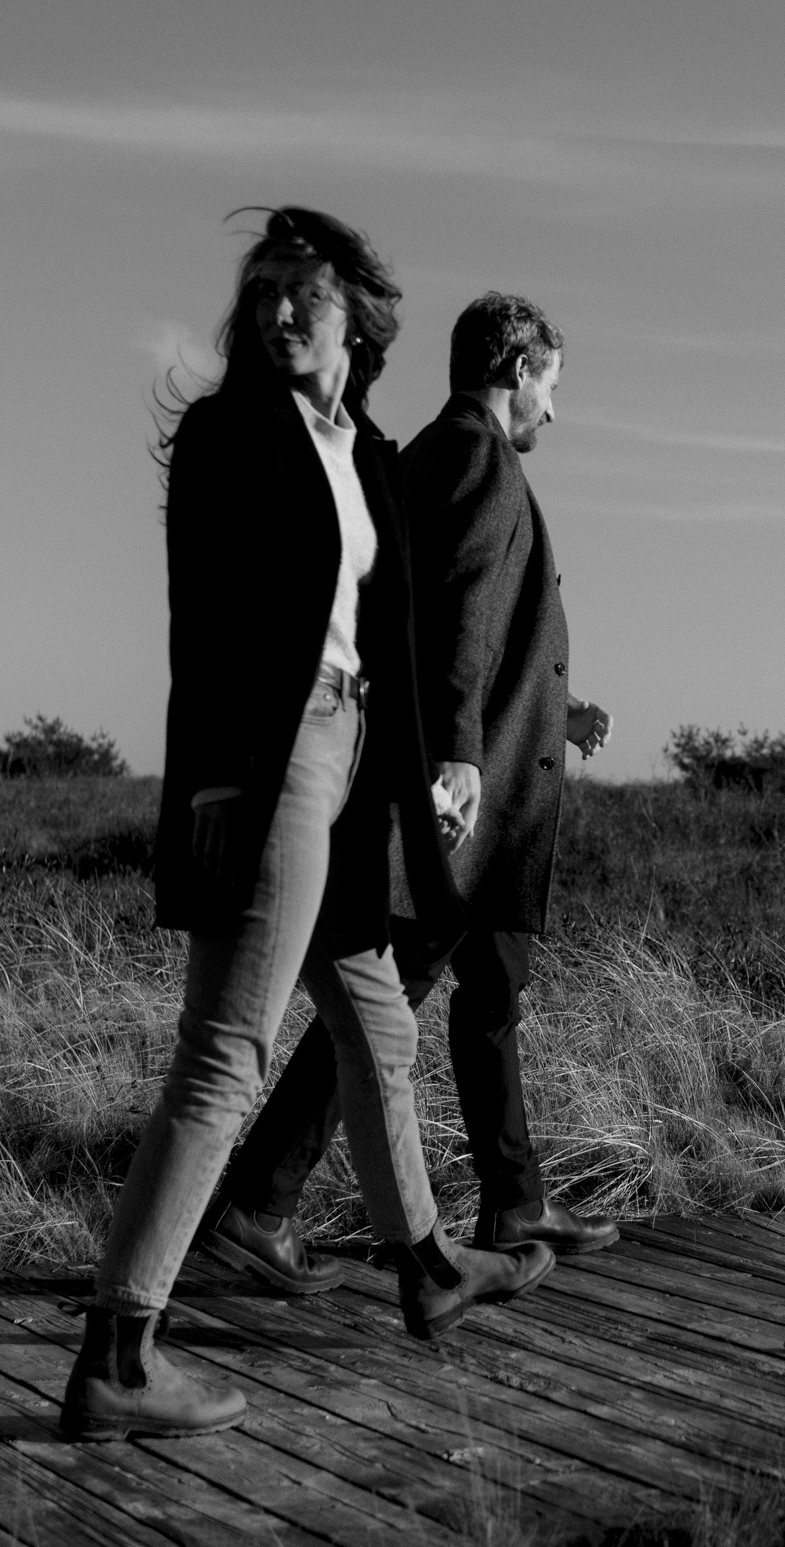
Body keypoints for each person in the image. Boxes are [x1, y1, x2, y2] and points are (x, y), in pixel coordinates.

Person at [60, 212, 556, 1444]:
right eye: (264, 290)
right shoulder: (235, 433)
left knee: (379, 1020)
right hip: (270, 761)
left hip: (345, 762)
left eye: (305, 293)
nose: (279, 310)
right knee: (226, 1052)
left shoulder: (366, 452)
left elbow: (388, 639)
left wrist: (427, 774)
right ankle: (120, 1349)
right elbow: (209, 624)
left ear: (359, 321)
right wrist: (224, 785)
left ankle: (430, 1267)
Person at [202, 292, 616, 1286]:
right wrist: (462, 759)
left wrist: (547, 718)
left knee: (486, 986)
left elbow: (435, 627)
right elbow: (462, 619)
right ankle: (258, 1202)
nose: (553, 410)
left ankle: (515, 1199)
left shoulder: (432, 451)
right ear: (514, 367)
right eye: (551, 384)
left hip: (473, 783)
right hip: (465, 806)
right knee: (389, 1001)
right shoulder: (478, 456)